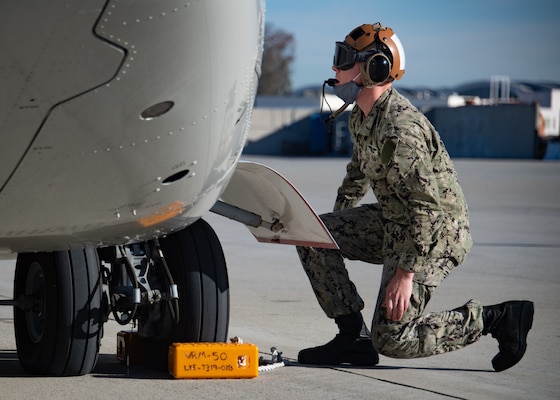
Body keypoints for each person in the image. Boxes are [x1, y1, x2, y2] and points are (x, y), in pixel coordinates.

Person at [296, 22, 534, 372]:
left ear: (372, 68)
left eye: (343, 59)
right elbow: (357, 175)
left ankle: (498, 318)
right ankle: (352, 338)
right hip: (396, 221)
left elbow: (427, 207)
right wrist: (332, 232)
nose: (334, 68)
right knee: (313, 237)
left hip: (435, 234)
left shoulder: (400, 128)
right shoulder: (363, 117)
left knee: (392, 337)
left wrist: (405, 275)